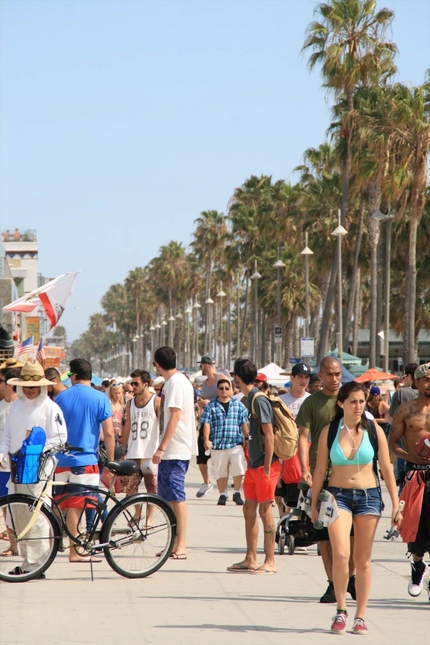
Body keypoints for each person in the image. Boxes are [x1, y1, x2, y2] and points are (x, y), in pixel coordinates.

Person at [311, 382, 400, 635]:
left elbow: (386, 469)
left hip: (369, 496)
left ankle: (360, 616)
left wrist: (396, 504)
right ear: (341, 403)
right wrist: (314, 504)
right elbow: (319, 471)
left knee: (362, 560)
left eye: (361, 401)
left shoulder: (374, 430)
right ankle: (341, 609)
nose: (358, 406)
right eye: (352, 401)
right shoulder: (330, 431)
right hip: (337, 495)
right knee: (340, 554)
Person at [296, 356, 356, 603]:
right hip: (321, 478)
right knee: (324, 536)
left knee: (350, 534)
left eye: (338, 374)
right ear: (319, 376)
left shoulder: (350, 400)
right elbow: (302, 437)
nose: (334, 379)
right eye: (329, 374)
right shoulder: (312, 403)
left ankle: (350, 579)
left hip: (347, 477)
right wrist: (304, 468)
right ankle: (333, 583)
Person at [0, 361, 67, 576]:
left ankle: (38, 564)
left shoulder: (50, 408)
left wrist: (37, 450)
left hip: (39, 470)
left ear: (42, 387)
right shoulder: (15, 407)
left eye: (34, 387)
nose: (30, 391)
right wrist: (3, 452)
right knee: (19, 514)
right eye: (26, 387)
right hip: (16, 469)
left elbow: (60, 438)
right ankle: (27, 562)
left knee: (36, 516)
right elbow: (7, 436)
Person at [54, 358, 114, 563]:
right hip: (85, 459)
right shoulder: (100, 398)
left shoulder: (61, 398)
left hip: (61, 460)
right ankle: (75, 550)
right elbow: (109, 432)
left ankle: (68, 545)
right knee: (77, 505)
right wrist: (111, 462)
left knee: (64, 504)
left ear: (73, 376)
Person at [227, 358, 279, 574]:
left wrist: (267, 466)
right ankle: (251, 558)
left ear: (237, 377)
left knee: (265, 511)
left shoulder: (259, 400)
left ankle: (270, 561)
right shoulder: (248, 399)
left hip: (265, 466)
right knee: (249, 508)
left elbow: (270, 434)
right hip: (253, 465)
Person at [388, 362, 430, 600]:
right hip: (415, 473)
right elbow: (392, 443)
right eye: (426, 379)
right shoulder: (405, 411)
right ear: (417, 382)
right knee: (414, 527)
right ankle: (417, 566)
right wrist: (408, 455)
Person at [152, 347, 197, 560]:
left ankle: (181, 544)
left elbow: (175, 416)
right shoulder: (172, 383)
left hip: (176, 449)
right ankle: (172, 542)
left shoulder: (177, 383)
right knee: (167, 498)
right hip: (170, 450)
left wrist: (161, 447)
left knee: (177, 496)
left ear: (157, 365)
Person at [201, 377, 248, 506]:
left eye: (227, 388)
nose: (224, 390)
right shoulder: (211, 406)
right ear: (217, 390)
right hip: (218, 444)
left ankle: (237, 492)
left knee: (239, 467)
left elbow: (244, 423)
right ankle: (223, 494)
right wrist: (206, 439)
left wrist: (247, 437)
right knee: (220, 471)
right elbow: (206, 424)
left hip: (235, 443)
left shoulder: (239, 405)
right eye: (221, 388)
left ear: (231, 390)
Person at [276, 363, 311, 517]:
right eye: (300, 377)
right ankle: (285, 532)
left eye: (306, 377)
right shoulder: (280, 401)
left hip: (307, 458)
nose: (303, 381)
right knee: (283, 503)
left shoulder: (312, 401)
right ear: (292, 378)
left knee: (307, 505)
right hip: (284, 458)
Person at [121, 369, 160, 507]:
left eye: (136, 383)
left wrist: (161, 450)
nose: (133, 387)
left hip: (150, 454)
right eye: (132, 383)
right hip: (133, 452)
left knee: (152, 490)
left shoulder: (156, 401)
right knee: (130, 489)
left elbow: (162, 428)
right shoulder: (130, 403)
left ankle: (149, 520)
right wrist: (122, 450)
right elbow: (127, 427)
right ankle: (137, 514)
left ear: (146, 384)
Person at [195, 355, 228, 498]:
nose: (200, 369)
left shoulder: (222, 378)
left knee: (221, 457)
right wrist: (201, 404)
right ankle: (206, 482)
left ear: (206, 365)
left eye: (201, 366)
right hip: (206, 421)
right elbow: (203, 399)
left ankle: (224, 490)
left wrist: (211, 402)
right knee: (200, 453)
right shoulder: (204, 383)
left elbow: (229, 395)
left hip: (220, 422)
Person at [0, 366, 20, 556]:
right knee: (5, 507)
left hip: (19, 465)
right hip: (2, 465)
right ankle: (13, 544)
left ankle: (20, 544)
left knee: (18, 506)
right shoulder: (1, 406)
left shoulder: (20, 407)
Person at [388, 362, 419, 485]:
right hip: (425, 452)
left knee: (404, 493)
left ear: (410, 377)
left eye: (404, 376)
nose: (403, 379)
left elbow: (390, 419)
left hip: (404, 451)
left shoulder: (401, 393)